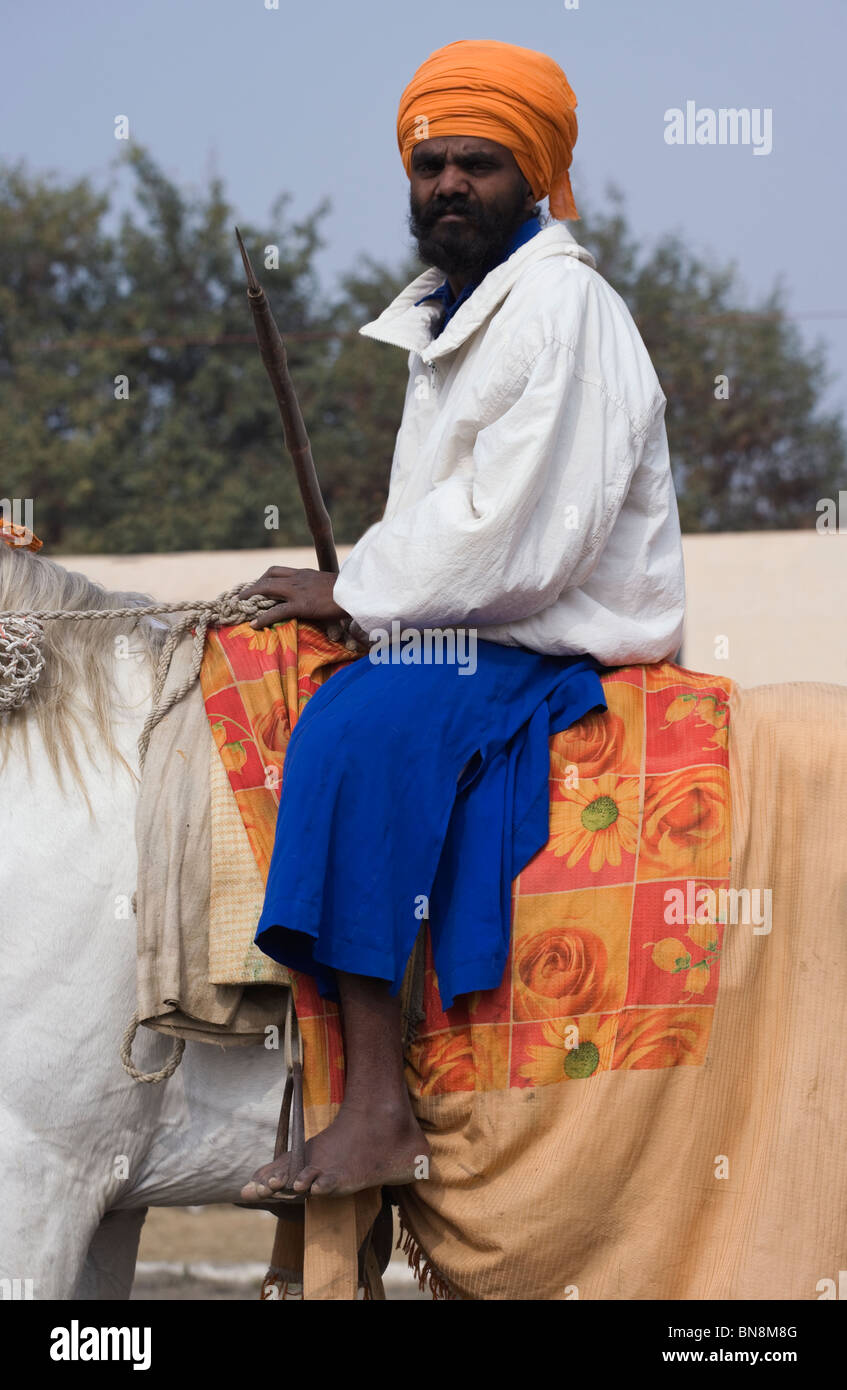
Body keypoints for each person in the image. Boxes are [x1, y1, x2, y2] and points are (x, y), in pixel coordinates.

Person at [238, 38, 685, 1204]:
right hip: (483, 616)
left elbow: (516, 534)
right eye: (429, 163)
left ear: (530, 174)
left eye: (476, 164)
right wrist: (372, 590)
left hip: (546, 630)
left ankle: (379, 1110)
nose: (447, 185)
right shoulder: (456, 310)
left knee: (350, 727)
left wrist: (360, 590)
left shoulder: (563, 308)